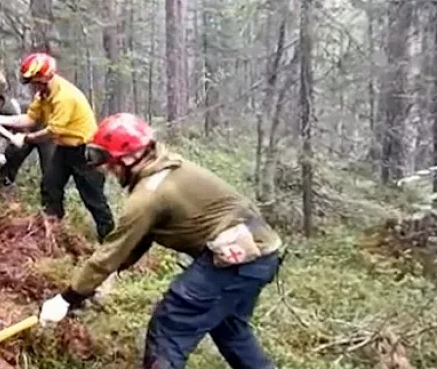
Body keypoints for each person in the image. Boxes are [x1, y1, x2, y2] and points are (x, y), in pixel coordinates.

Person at [36, 113, 285, 369]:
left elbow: (111, 251)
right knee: (230, 330)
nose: (108, 169)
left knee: (171, 324)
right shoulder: (168, 167)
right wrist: (105, 278)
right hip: (262, 253)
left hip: (237, 259)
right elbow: (139, 240)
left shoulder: (148, 195)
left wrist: (66, 298)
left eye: (110, 162)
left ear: (130, 157)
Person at [0, 52, 114, 242]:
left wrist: (26, 139)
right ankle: (54, 231)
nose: (33, 87)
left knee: (93, 199)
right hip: (64, 149)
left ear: (45, 77)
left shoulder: (64, 97)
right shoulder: (43, 94)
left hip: (86, 151)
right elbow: (29, 119)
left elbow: (51, 132)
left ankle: (111, 242)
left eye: (35, 82)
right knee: (50, 187)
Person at [0, 88, 55, 191]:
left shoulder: (9, 110)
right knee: (10, 159)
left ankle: (50, 201)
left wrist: (1, 151)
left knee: (50, 170)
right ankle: (2, 190)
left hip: (43, 133)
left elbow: (20, 131)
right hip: (22, 134)